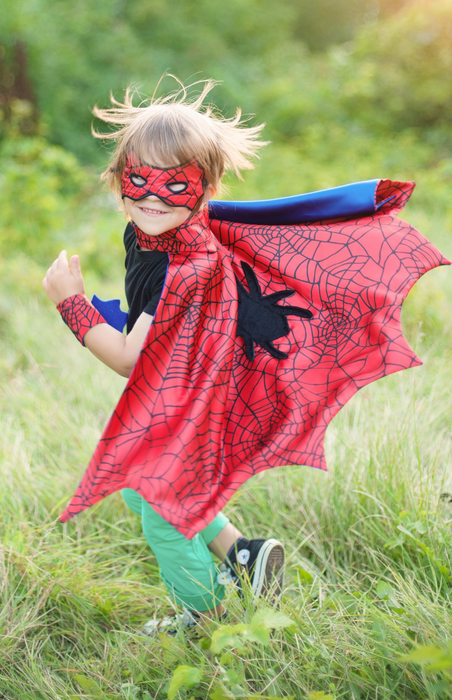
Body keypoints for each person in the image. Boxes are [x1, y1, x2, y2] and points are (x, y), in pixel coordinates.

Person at [42, 80, 286, 632]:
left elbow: (132, 357)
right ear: (117, 176)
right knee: (141, 487)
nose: (153, 196)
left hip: (196, 404)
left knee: (163, 522)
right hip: (180, 394)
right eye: (139, 178)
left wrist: (72, 306)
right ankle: (242, 554)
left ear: (205, 189)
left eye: (176, 184)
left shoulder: (182, 265)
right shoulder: (148, 233)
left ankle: (205, 618)